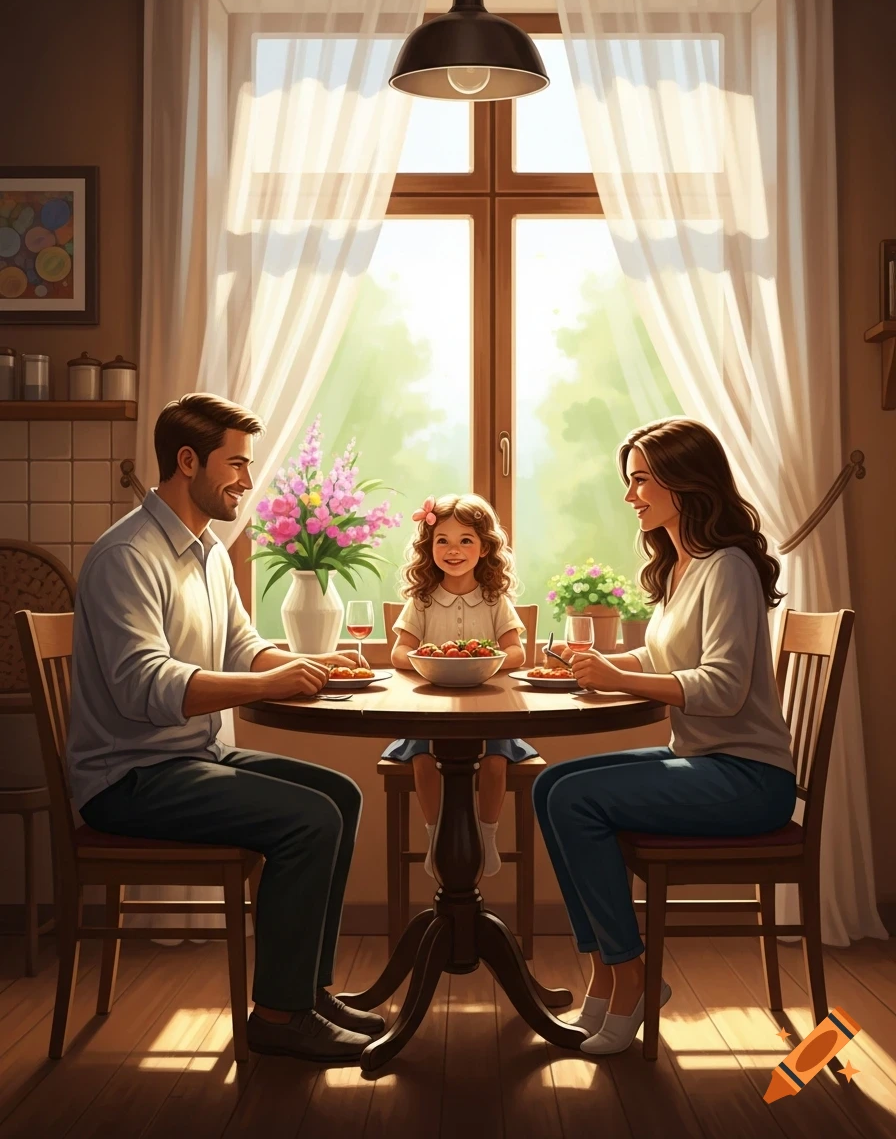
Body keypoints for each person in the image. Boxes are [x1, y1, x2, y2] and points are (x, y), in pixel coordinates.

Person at [68, 393, 384, 1063]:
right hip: (128, 777)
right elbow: (141, 685)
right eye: (236, 463)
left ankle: (305, 990)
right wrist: (270, 684)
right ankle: (278, 1017)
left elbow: (242, 646)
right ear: (188, 461)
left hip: (193, 758)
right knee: (310, 820)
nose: (247, 477)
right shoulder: (127, 555)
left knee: (341, 798)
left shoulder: (208, 551)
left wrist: (306, 663)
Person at [532, 418, 796, 1055]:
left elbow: (722, 687)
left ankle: (630, 978)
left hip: (748, 780)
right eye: (630, 482)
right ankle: (608, 976)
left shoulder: (727, 567)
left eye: (642, 480)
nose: (631, 496)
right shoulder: (683, 567)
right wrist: (602, 665)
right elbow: (666, 664)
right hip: (703, 761)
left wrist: (618, 679)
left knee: (572, 798)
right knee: (551, 785)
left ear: (686, 481)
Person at [384, 494, 536, 877]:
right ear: (428, 548)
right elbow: (399, 653)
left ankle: (485, 836)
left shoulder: (494, 599)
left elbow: (517, 653)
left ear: (484, 547)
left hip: (489, 710)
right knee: (422, 759)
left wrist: (480, 659)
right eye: (443, 541)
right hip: (431, 711)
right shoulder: (421, 600)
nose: (454, 550)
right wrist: (430, 657)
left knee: (496, 759)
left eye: (465, 540)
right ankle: (437, 837)